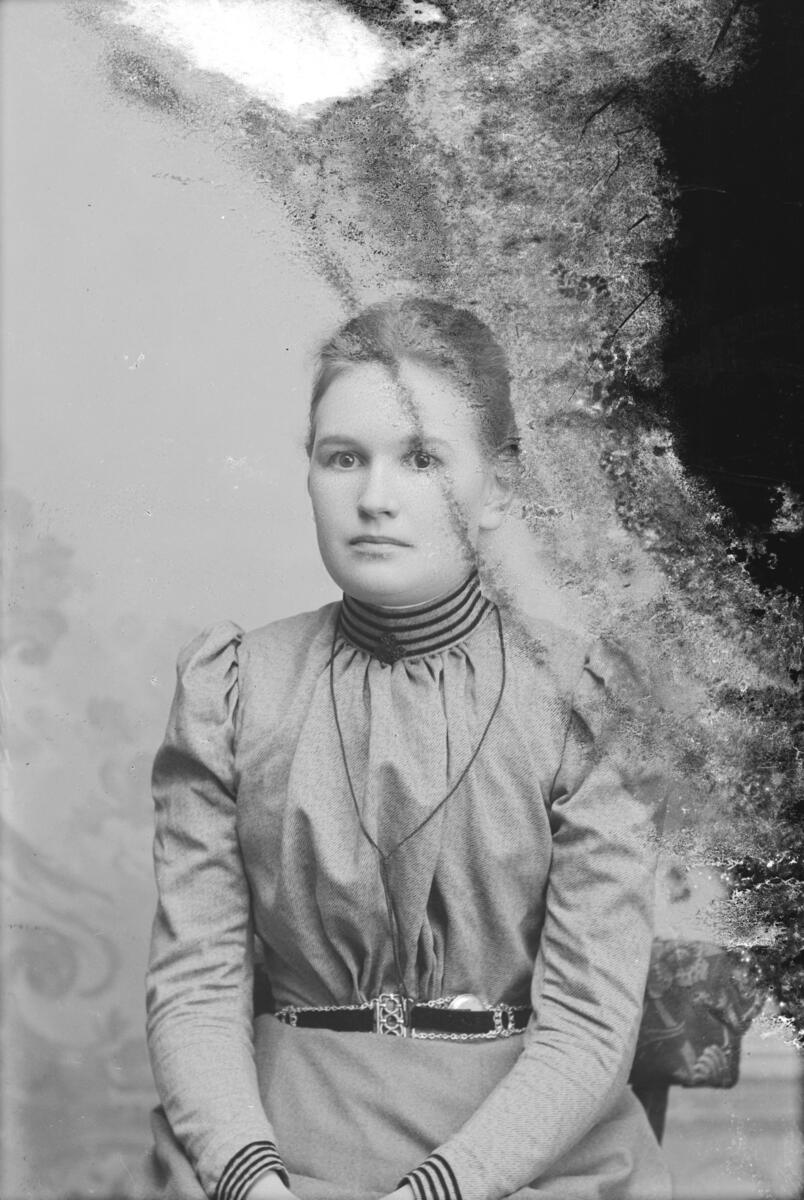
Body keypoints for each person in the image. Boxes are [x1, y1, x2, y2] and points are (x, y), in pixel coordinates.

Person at [145, 297, 672, 1200]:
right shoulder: (231, 690)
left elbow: (590, 1022)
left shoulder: (585, 702)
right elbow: (195, 987)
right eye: (342, 457)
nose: (374, 499)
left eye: (421, 458)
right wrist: (248, 1178)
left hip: (520, 1159)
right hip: (277, 1147)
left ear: (498, 486)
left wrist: (437, 1192)